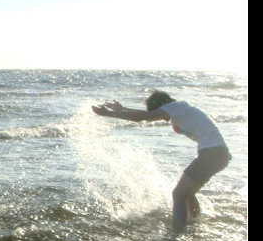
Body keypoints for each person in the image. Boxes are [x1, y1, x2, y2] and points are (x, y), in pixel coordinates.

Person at [92, 90, 231, 231]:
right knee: (187, 194)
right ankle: (193, 224)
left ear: (162, 105)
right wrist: (122, 109)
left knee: (178, 195)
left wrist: (108, 114)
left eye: (156, 111)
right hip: (218, 155)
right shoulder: (178, 109)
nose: (159, 116)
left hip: (212, 154)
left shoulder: (176, 107)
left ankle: (177, 233)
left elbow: (141, 117)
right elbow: (145, 115)